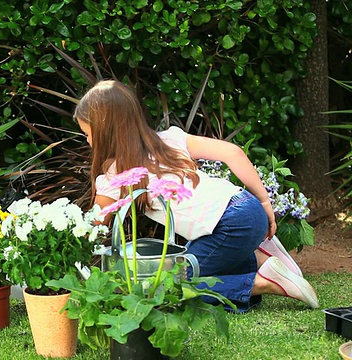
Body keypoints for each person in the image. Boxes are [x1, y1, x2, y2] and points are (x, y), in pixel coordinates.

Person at [74, 79, 318, 312]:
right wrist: (264, 202)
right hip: (247, 207)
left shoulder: (116, 174)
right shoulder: (170, 139)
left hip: (231, 226)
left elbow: (93, 225)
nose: (87, 140)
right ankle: (256, 261)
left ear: (105, 131)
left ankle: (263, 283)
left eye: (88, 133)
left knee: (166, 285)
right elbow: (232, 152)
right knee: (184, 262)